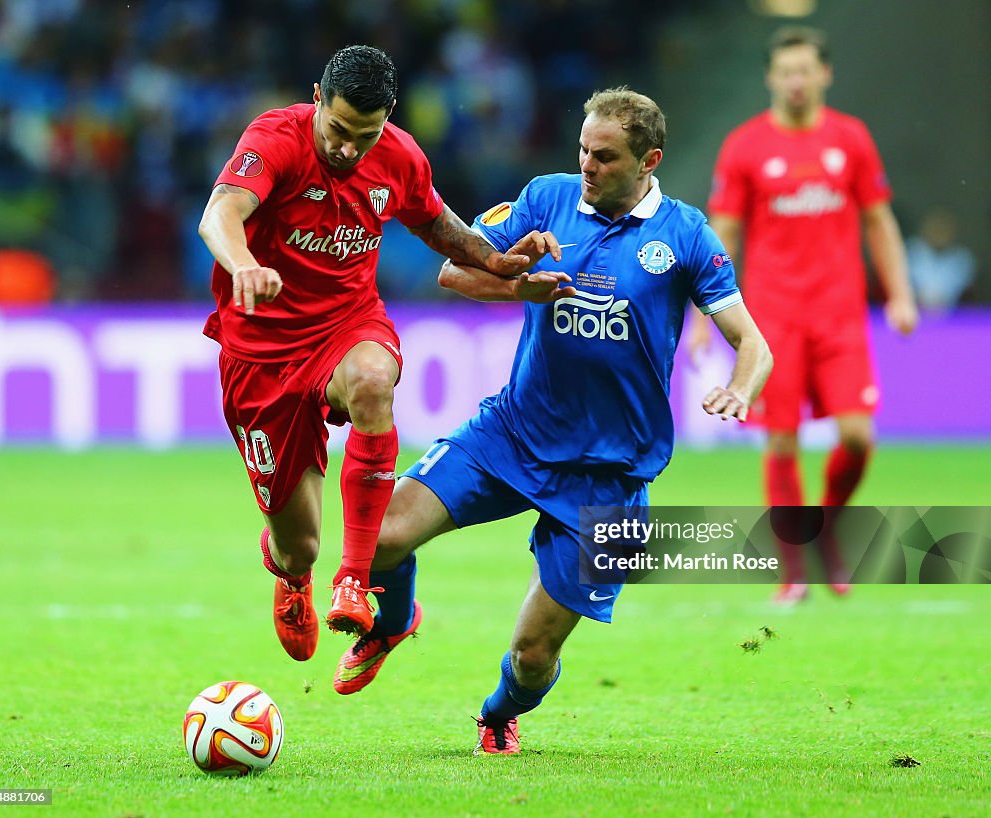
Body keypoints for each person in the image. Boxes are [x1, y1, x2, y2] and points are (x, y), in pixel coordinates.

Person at [329, 87, 773, 754]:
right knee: (379, 540)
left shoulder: (684, 234)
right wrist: (517, 284)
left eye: (605, 157)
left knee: (533, 657)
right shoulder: (546, 198)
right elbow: (455, 270)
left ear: (649, 160)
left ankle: (497, 712)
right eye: (583, 151)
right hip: (513, 433)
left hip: (610, 475)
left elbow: (753, 342)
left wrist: (740, 390)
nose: (587, 167)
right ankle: (389, 622)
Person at [198, 45, 543, 662]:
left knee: (371, 381)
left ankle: (354, 580)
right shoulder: (274, 140)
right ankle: (294, 577)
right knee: (297, 545)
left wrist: (492, 259)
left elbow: (436, 223)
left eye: (366, 134)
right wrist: (245, 264)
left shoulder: (399, 156)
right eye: (338, 131)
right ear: (316, 100)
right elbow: (220, 214)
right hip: (261, 353)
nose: (349, 149)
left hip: (346, 324)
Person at [689, 26, 918, 603]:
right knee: (782, 441)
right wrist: (700, 318)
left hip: (840, 316)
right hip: (773, 320)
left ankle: (828, 527)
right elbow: (724, 236)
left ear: (824, 74)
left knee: (858, 437)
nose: (795, 81)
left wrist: (901, 292)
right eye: (785, 71)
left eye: (805, 70)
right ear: (770, 77)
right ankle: (794, 572)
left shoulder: (852, 139)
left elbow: (879, 220)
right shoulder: (744, 146)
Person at [906, 208, 976, 313]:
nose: (939, 233)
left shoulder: (962, 259)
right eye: (936, 229)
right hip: (913, 313)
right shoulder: (911, 251)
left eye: (944, 229)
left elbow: (966, 292)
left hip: (954, 318)